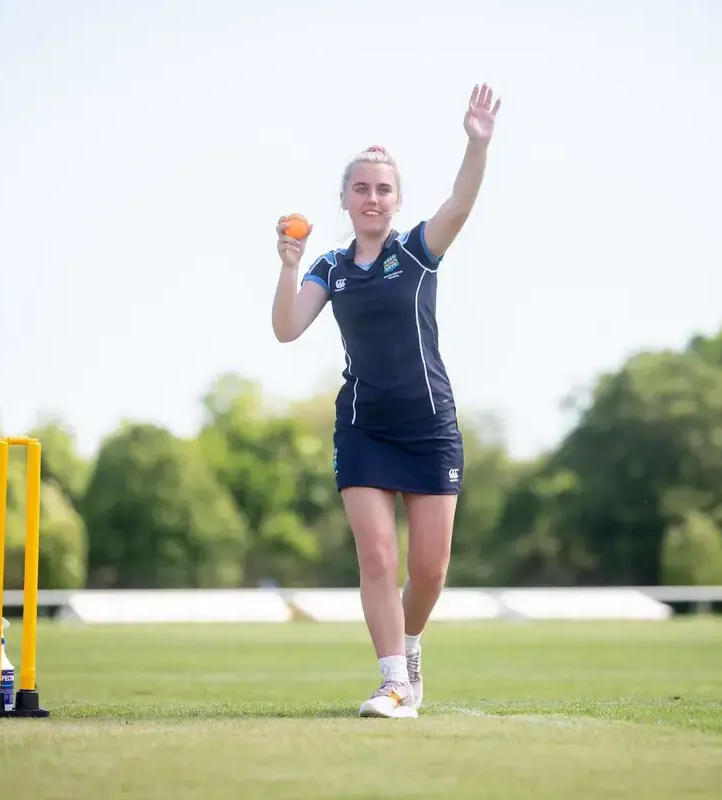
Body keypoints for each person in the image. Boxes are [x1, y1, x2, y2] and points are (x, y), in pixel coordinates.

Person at [270, 83, 501, 718]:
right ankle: (394, 681)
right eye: (361, 189)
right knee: (376, 554)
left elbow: (461, 202)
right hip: (363, 428)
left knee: (428, 573)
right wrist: (289, 263)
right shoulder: (330, 266)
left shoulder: (419, 252)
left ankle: (412, 644)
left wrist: (476, 145)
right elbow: (288, 327)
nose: (372, 199)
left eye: (383, 189)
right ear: (344, 199)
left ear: (396, 201)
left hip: (429, 429)